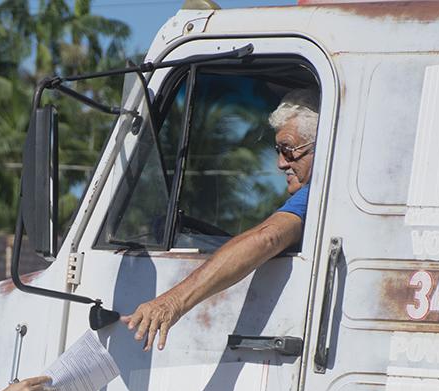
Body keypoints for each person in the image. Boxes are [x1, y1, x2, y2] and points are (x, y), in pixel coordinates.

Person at [125, 89, 319, 351]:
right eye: (278, 150)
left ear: (322, 148)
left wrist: (172, 302)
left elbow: (268, 237)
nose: (280, 164)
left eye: (288, 150)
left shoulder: (316, 195)